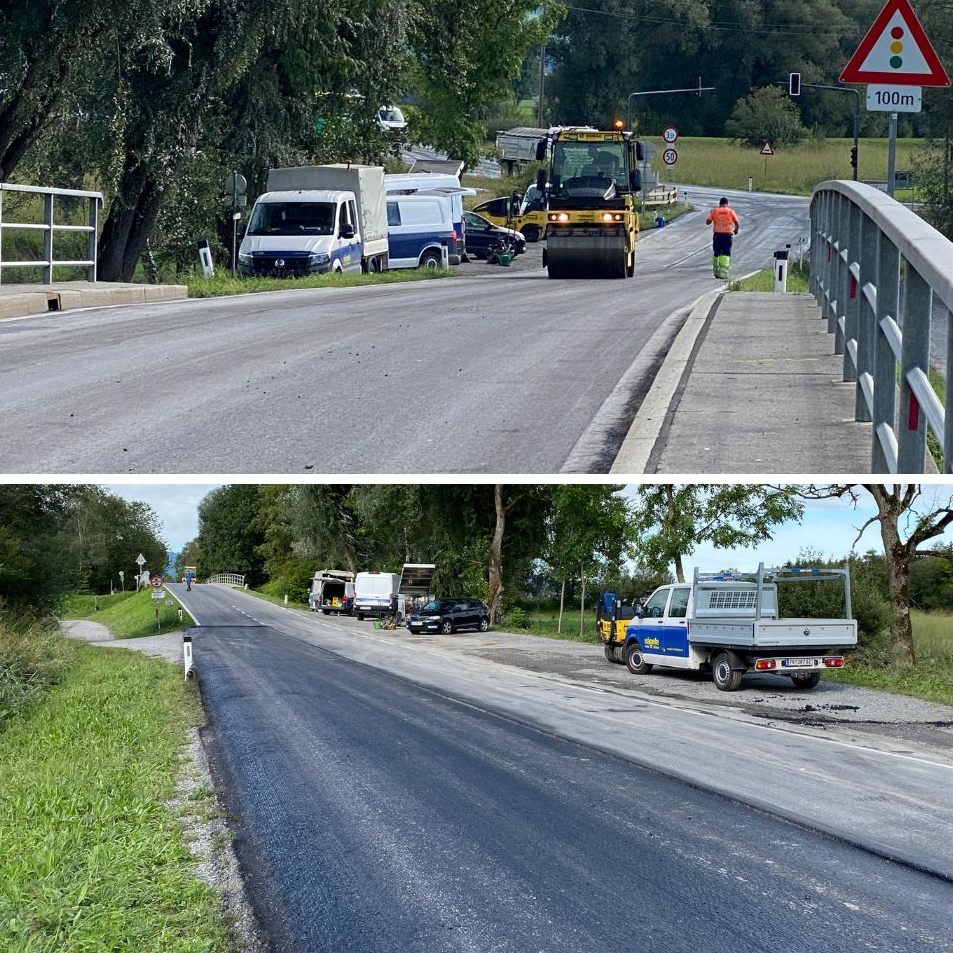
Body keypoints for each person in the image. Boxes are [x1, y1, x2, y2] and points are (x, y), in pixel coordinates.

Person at [705, 196, 740, 279]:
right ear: (727, 204)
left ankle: (716, 271)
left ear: (719, 204)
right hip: (727, 235)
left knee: (716, 252)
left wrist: (711, 214)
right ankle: (723, 273)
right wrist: (735, 230)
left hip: (717, 235)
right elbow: (737, 223)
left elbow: (707, 222)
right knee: (726, 252)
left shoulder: (715, 211)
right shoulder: (730, 211)